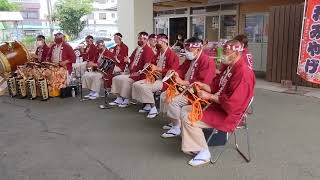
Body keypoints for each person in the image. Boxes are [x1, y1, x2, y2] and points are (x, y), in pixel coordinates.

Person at [180, 40, 256, 166]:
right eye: (223, 51)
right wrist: (204, 86)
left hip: (229, 114)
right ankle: (194, 144)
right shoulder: (229, 66)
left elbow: (234, 105)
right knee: (186, 109)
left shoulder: (243, 73)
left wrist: (209, 96)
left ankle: (203, 152)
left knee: (189, 117)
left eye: (226, 52)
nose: (223, 54)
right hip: (219, 106)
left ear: (236, 53)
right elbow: (216, 86)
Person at [160, 37, 216, 138]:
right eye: (186, 49)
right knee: (165, 95)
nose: (187, 52)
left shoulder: (207, 61)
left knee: (173, 100)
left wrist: (183, 82)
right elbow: (182, 69)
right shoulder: (190, 58)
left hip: (196, 93)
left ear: (198, 49)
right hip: (186, 88)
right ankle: (175, 121)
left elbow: (202, 83)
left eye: (189, 50)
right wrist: (175, 72)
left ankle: (177, 127)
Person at [131, 34, 179, 118]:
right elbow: (152, 64)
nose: (155, 43)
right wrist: (148, 66)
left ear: (164, 42)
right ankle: (148, 105)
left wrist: (158, 69)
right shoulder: (158, 53)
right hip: (154, 77)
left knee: (145, 87)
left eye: (157, 41)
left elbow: (172, 72)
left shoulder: (172, 55)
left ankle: (153, 108)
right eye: (155, 41)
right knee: (136, 84)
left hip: (164, 80)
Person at [109, 31, 155, 108]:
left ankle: (127, 99)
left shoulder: (148, 50)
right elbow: (131, 59)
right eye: (139, 38)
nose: (139, 40)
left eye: (141, 39)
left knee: (126, 80)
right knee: (116, 78)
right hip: (132, 72)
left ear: (146, 40)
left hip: (140, 75)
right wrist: (128, 60)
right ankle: (119, 97)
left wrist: (137, 73)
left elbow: (147, 66)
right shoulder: (137, 48)